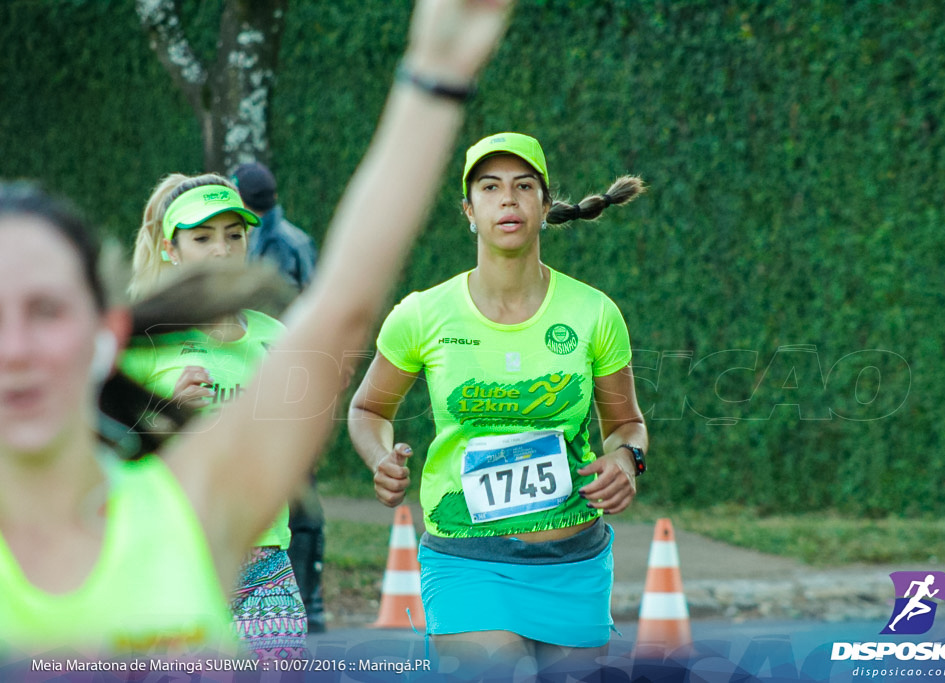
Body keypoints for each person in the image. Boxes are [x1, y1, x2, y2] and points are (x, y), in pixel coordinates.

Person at [0, 0, 513, 661]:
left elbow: (343, 307)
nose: (15, 347)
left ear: (104, 335)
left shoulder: (188, 511)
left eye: (46, 310)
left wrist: (435, 72)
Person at [348, 131, 649, 670]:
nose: (507, 199)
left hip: (573, 560)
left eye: (523, 185)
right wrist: (380, 458)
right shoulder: (423, 314)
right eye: (489, 187)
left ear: (544, 203)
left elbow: (627, 423)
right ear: (469, 209)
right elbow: (368, 410)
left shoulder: (594, 313)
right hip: (467, 559)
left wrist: (627, 459)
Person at [120, 173, 309, 660]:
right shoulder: (143, 341)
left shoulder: (276, 336)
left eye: (234, 235)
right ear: (171, 249)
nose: (222, 250)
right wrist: (162, 413)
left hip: (265, 561)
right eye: (202, 239)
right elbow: (102, 458)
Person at [231, 161, 327, 633]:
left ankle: (311, 599)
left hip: (288, 371)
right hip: (244, 370)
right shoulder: (234, 236)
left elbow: (317, 302)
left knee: (300, 494)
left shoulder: (292, 242)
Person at [231, 161, 318, 293]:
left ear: (240, 201)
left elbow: (274, 303)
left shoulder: (273, 243)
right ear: (274, 196)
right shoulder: (296, 236)